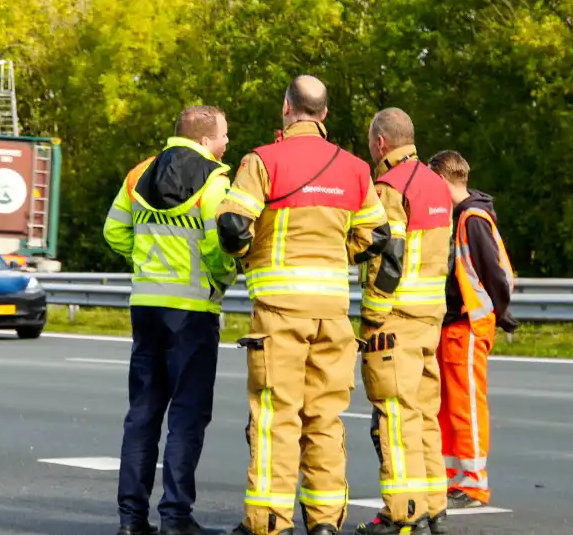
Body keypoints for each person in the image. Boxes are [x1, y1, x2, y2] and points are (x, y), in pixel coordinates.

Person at [215, 75, 391, 535]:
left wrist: (248, 257)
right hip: (333, 314)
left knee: (276, 417)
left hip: (278, 313)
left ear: (286, 108)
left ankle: (270, 522)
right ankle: (326, 523)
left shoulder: (262, 161)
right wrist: (337, 253)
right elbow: (377, 235)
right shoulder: (354, 168)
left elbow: (233, 227)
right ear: (325, 114)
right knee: (325, 420)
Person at [103, 105, 238, 535]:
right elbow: (220, 247)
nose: (226, 143)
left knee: (142, 413)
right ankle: (176, 517)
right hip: (193, 312)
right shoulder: (215, 181)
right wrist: (220, 279)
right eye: (223, 136)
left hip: (145, 306)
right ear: (204, 140)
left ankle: (131, 520)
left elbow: (113, 232)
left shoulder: (137, 174)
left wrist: (147, 263)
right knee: (186, 415)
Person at [355, 108, 454, 535]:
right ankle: (435, 508)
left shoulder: (390, 188)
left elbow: (389, 258)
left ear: (381, 143)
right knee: (424, 416)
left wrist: (372, 314)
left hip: (396, 320)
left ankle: (402, 513)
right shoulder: (438, 185)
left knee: (394, 419)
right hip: (431, 319)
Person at [426, 150, 516, 511]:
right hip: (451, 324)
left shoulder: (472, 218)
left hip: (467, 323)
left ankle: (474, 483)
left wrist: (500, 311)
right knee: (447, 406)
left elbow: (496, 272)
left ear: (441, 179)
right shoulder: (458, 216)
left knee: (466, 405)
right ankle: (454, 478)